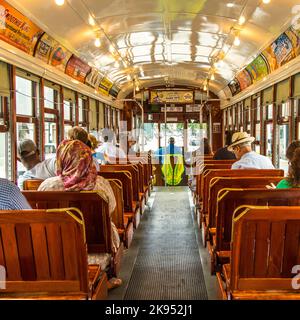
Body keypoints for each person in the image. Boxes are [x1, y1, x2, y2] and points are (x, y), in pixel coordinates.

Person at [38, 139, 122, 288]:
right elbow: (112, 209)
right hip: (96, 252)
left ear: (61, 160)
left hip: (55, 252)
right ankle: (104, 277)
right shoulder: (100, 184)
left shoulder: (46, 186)